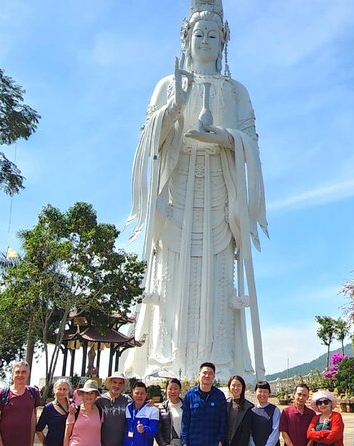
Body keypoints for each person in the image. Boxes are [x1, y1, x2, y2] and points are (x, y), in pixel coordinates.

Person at [125, 0, 268, 383]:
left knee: (219, 278)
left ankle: (220, 365)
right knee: (171, 277)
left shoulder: (235, 91)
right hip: (179, 185)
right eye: (198, 33)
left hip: (219, 190)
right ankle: (163, 364)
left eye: (213, 34)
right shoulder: (167, 85)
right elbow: (148, 141)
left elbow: (251, 141)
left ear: (224, 41)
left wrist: (224, 136)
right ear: (186, 38)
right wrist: (173, 109)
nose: (205, 40)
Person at [0, 361, 43, 446]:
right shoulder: (2, 393)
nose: (20, 375)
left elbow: (33, 420)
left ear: (28, 374)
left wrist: (31, 442)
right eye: (17, 372)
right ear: (12, 375)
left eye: (24, 372)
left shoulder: (33, 393)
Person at [181, 362, 227, 446]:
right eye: (204, 373)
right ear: (199, 375)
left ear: (214, 376)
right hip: (194, 442)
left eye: (210, 373)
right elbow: (185, 421)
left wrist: (220, 440)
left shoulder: (220, 396)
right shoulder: (190, 395)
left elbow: (223, 420)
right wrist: (184, 442)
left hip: (213, 442)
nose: (207, 376)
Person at [64, 380, 104, 446]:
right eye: (87, 393)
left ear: (96, 395)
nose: (89, 395)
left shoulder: (100, 411)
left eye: (92, 393)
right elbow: (67, 434)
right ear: (82, 395)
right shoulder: (75, 411)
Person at [97, 371, 132, 446]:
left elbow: (139, 409)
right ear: (110, 383)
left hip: (121, 443)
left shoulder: (127, 400)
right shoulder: (100, 400)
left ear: (123, 386)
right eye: (114, 382)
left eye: (120, 383)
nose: (117, 385)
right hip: (102, 443)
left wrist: (149, 404)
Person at [37, 379, 72, 446]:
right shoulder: (48, 408)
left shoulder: (73, 406)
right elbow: (38, 429)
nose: (62, 392)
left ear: (68, 391)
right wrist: (45, 444)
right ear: (54, 390)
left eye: (64, 389)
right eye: (59, 389)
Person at [124, 382, 160, 446]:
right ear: (132, 394)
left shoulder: (153, 410)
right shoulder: (127, 407)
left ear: (146, 395)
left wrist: (144, 429)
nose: (139, 396)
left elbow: (153, 432)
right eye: (137, 393)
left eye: (142, 393)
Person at [250, 381, 281, 446]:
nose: (262, 394)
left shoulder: (275, 410)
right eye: (260, 391)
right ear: (255, 392)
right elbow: (249, 432)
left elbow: (276, 430)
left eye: (265, 392)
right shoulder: (251, 411)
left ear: (269, 393)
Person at [226, 375, 253, 446]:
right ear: (229, 387)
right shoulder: (225, 404)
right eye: (233, 385)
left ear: (243, 387)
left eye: (239, 385)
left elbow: (247, 432)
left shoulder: (249, 407)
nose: (236, 388)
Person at [156, 378, 184, 446]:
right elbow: (158, 430)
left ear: (180, 390)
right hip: (169, 443)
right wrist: (163, 444)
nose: (173, 391)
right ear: (166, 390)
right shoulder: (162, 408)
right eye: (170, 389)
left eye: (176, 389)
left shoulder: (187, 405)